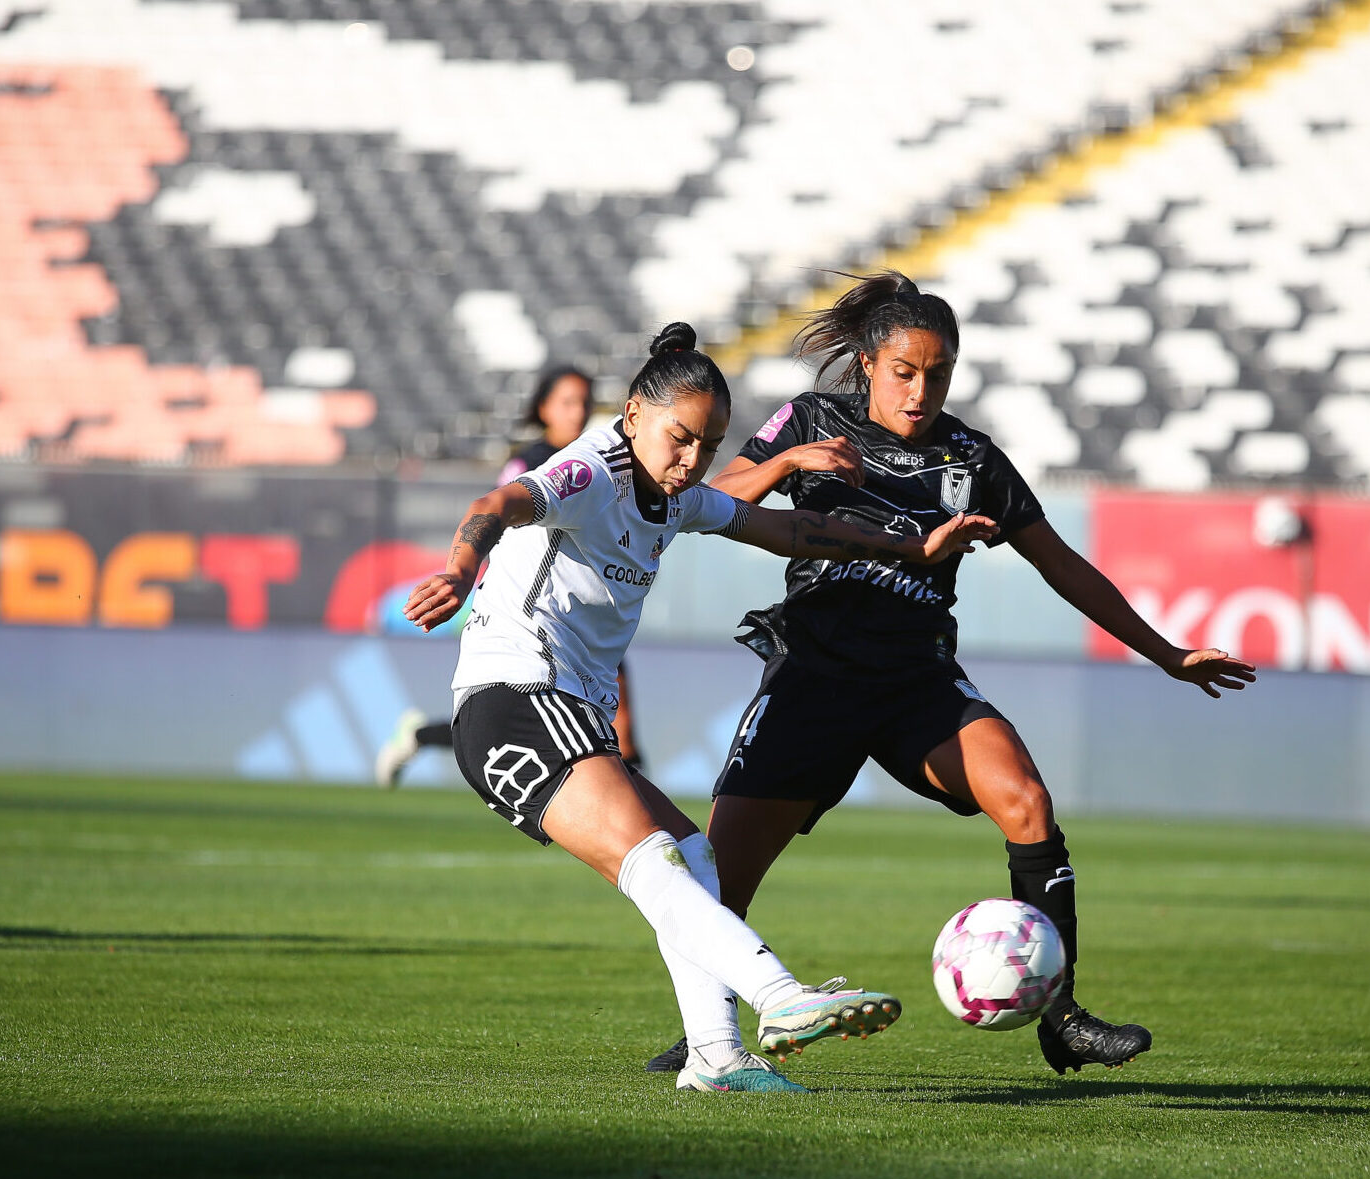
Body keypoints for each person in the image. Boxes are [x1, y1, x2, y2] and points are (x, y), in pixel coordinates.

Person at [637, 271, 1257, 1078]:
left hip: (916, 683)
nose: (921, 390)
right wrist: (790, 457)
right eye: (905, 371)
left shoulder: (970, 458)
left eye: (939, 374)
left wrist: (1165, 651)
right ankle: (705, 1036)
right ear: (867, 363)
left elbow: (1060, 564)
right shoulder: (813, 420)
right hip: (813, 682)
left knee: (1027, 801)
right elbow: (712, 502)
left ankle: (1060, 1012)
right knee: (717, 877)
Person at [402, 322, 997, 1093]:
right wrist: (458, 567)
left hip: (563, 711)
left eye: (709, 445)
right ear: (633, 415)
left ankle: (715, 1055)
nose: (691, 461)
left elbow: (784, 528)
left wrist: (910, 550)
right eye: (679, 437)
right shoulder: (595, 467)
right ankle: (781, 998)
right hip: (516, 697)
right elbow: (501, 500)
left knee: (696, 853)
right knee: (651, 861)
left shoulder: (672, 496)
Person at [377, 366, 644, 782]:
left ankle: (623, 779)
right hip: (531, 604)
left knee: (561, 709)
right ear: (544, 408)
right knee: (515, 709)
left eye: (585, 403)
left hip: (584, 602)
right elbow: (499, 520)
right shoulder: (531, 463)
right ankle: (624, 777)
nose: (578, 412)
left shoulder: (598, 461)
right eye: (567, 402)